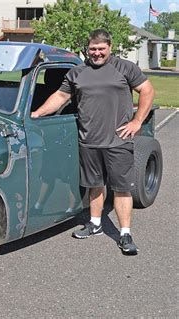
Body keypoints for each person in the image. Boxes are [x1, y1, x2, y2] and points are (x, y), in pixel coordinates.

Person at [31, 29, 155, 255]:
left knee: (121, 189)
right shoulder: (77, 72)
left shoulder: (124, 67)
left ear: (110, 47)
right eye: (92, 49)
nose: (97, 53)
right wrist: (38, 113)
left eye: (101, 49)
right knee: (94, 185)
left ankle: (125, 234)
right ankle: (95, 224)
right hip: (88, 141)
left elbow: (147, 90)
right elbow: (60, 97)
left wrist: (138, 121)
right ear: (87, 49)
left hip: (118, 141)